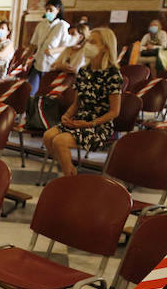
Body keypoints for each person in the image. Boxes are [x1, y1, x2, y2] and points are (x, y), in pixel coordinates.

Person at [41, 27, 123, 177]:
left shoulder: (113, 74)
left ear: (105, 47)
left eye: (93, 42)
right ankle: (70, 171)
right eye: (88, 41)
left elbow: (114, 112)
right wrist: (67, 115)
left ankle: (69, 177)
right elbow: (77, 103)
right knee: (48, 136)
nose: (88, 45)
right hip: (80, 120)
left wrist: (90, 124)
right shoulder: (84, 71)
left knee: (60, 141)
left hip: (99, 125)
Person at [28, 0, 70, 93]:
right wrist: (26, 58)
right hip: (38, 62)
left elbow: (67, 47)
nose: (48, 12)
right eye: (46, 9)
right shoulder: (41, 25)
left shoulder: (63, 26)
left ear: (58, 10)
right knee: (30, 91)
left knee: (44, 93)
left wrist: (53, 51)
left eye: (51, 10)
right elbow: (33, 44)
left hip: (52, 65)